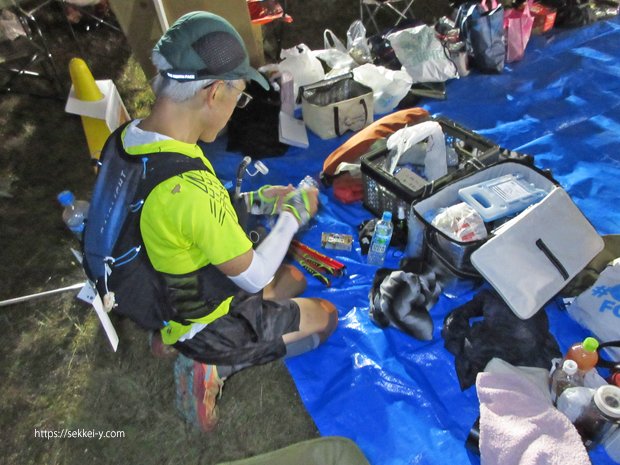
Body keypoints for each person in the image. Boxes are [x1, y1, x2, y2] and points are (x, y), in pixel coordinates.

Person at [115, 11, 338, 431]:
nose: (238, 107)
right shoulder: (186, 189)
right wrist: (293, 214)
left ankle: (170, 338)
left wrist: (257, 199)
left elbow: (179, 219)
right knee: (325, 316)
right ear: (215, 91)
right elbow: (253, 277)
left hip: (161, 290)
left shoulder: (131, 139)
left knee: (292, 278)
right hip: (203, 319)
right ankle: (210, 365)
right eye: (240, 95)